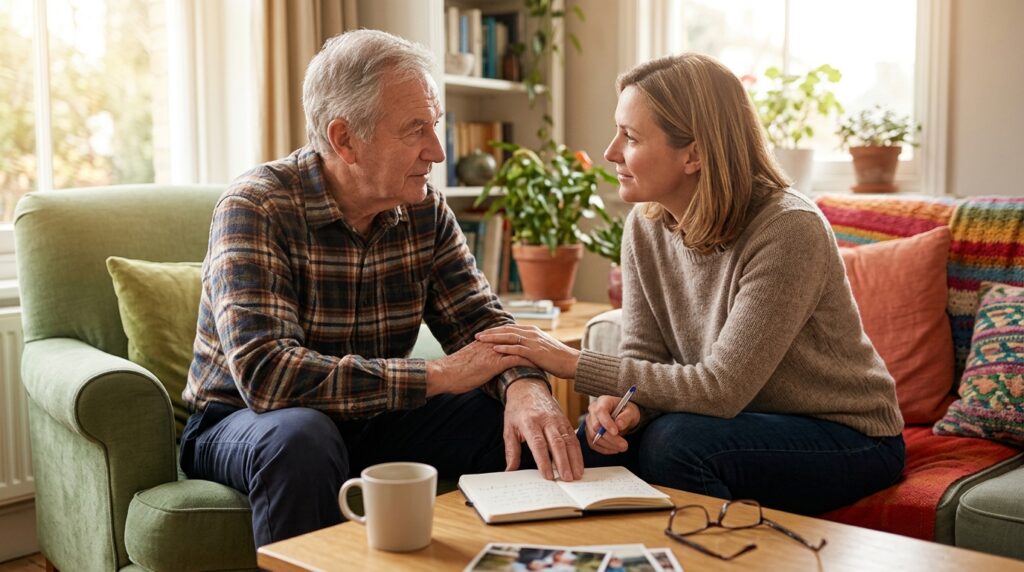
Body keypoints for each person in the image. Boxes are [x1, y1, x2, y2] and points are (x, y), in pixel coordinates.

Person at [179, 29, 583, 547]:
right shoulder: (256, 207)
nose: (436, 151)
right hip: (244, 422)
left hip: (376, 417)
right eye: (416, 129)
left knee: (514, 423)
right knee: (302, 436)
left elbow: (480, 321)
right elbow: (268, 377)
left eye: (434, 125)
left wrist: (525, 387)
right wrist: (437, 374)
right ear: (345, 139)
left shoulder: (424, 210)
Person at [476, 53, 906, 515]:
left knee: (675, 443)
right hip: (737, 419)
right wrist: (620, 405)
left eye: (631, 137)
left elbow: (721, 388)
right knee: (588, 442)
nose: (611, 152)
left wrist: (570, 362)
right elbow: (643, 353)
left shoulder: (788, 229)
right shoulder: (645, 224)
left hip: (847, 435)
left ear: (695, 153)